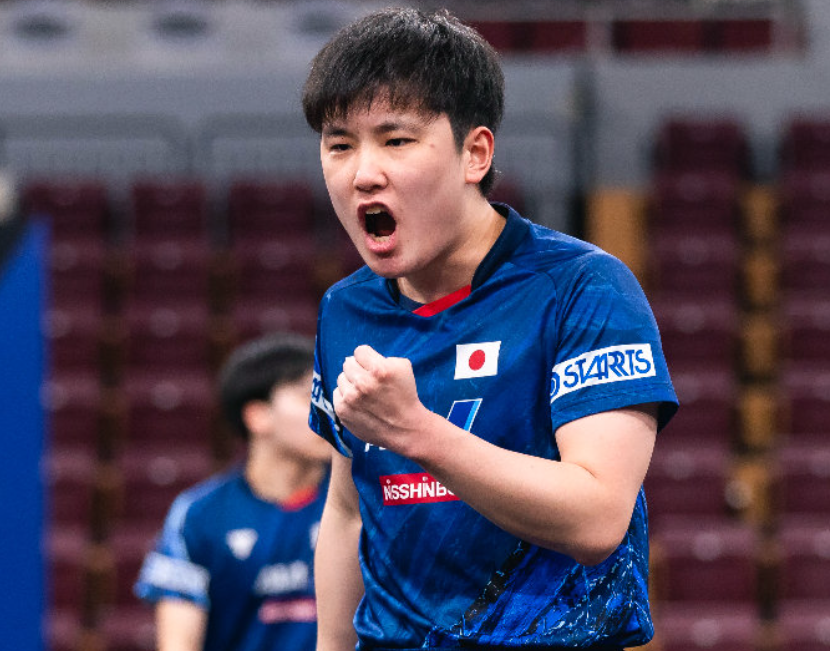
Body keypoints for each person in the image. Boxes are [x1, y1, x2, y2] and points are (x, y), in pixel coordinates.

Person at [303, 7, 679, 651]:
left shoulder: (584, 288)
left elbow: (596, 519)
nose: (362, 172)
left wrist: (419, 433)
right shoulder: (345, 309)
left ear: (474, 153)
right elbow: (346, 511)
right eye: (340, 145)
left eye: (396, 140)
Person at [134, 333, 331, 651]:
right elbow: (178, 643)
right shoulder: (198, 515)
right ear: (258, 416)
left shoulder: (360, 501)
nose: (328, 409)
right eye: (308, 394)